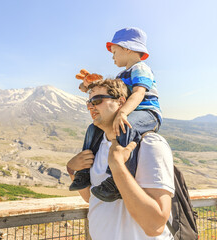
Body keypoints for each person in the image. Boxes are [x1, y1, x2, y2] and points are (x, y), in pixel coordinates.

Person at [67, 79, 175, 239]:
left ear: (121, 102)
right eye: (89, 102)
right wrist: (71, 170)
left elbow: (155, 226)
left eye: (97, 100)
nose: (90, 106)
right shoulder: (98, 145)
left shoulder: (149, 144)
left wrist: (117, 167)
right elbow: (95, 200)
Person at [70, 27, 162, 202]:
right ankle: (83, 172)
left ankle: (117, 180)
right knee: (92, 129)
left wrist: (123, 113)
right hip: (130, 111)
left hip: (146, 113)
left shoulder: (140, 68)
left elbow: (139, 94)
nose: (112, 56)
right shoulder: (122, 75)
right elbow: (110, 93)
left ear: (127, 48)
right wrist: (90, 85)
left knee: (127, 126)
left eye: (114, 51)